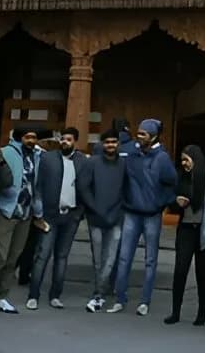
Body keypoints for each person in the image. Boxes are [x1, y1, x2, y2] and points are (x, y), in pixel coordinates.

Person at [110, 119, 176, 315]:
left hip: (152, 215)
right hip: (131, 212)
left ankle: (145, 301)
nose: (139, 137)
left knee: (150, 259)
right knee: (124, 257)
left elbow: (172, 183)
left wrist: (160, 203)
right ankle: (120, 299)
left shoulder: (162, 158)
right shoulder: (131, 154)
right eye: (138, 133)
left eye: (143, 134)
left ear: (153, 136)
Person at [0, 125, 42, 316]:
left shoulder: (37, 156)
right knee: (0, 256)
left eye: (34, 137)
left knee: (14, 258)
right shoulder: (4, 153)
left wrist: (38, 212)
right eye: (28, 137)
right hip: (6, 210)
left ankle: (3, 297)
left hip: (26, 213)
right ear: (19, 137)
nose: (32, 140)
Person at [27, 127, 85, 311]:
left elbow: (86, 188)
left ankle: (55, 295)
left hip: (70, 216)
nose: (64, 142)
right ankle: (33, 295)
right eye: (62, 139)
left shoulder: (83, 161)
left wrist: (79, 214)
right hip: (49, 215)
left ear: (75, 141)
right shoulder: (48, 158)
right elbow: (38, 187)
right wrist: (39, 214)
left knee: (62, 257)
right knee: (42, 255)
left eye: (68, 139)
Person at [77, 127, 126, 313]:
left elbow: (125, 189)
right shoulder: (92, 163)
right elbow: (84, 188)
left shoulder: (124, 164)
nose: (111, 145)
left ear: (118, 144)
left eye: (114, 142)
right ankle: (99, 294)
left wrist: (118, 211)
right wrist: (95, 209)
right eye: (107, 142)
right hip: (95, 217)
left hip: (116, 217)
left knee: (111, 258)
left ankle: (99, 293)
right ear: (102, 144)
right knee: (98, 259)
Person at [165, 145, 205, 327]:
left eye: (187, 160)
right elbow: (171, 202)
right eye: (182, 160)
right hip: (185, 229)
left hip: (203, 229)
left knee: (202, 272)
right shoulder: (180, 177)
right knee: (180, 269)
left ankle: (201, 314)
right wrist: (176, 202)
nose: (184, 163)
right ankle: (175, 312)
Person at [16, 128, 55, 287]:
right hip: (26, 202)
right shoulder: (38, 156)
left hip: (32, 204)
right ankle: (21, 272)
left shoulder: (41, 156)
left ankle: (23, 272)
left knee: (28, 243)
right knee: (26, 243)